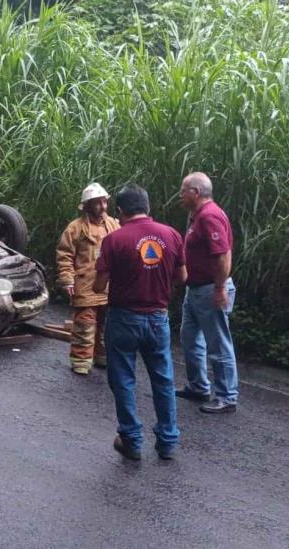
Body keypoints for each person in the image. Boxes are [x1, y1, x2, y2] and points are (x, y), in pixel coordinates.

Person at [93, 184, 187, 460]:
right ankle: (168, 442)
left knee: (123, 378)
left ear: (120, 210)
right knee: (163, 379)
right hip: (158, 317)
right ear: (148, 207)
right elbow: (182, 277)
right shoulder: (171, 235)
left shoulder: (115, 239)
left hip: (124, 318)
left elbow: (99, 286)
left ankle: (131, 440)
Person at [176, 172, 239, 413]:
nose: (180, 195)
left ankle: (227, 396)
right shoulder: (197, 215)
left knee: (218, 343)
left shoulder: (210, 216)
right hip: (196, 289)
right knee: (190, 338)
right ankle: (198, 386)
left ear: (196, 192)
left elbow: (223, 255)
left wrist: (220, 288)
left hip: (210, 289)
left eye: (183, 191)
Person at [56, 183, 120, 375]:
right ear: (87, 205)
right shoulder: (75, 229)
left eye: (104, 202)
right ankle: (81, 361)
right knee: (84, 325)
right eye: (97, 203)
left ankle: (101, 356)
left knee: (105, 326)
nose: (102, 207)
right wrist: (67, 279)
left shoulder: (113, 225)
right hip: (85, 285)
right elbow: (65, 255)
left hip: (109, 286)